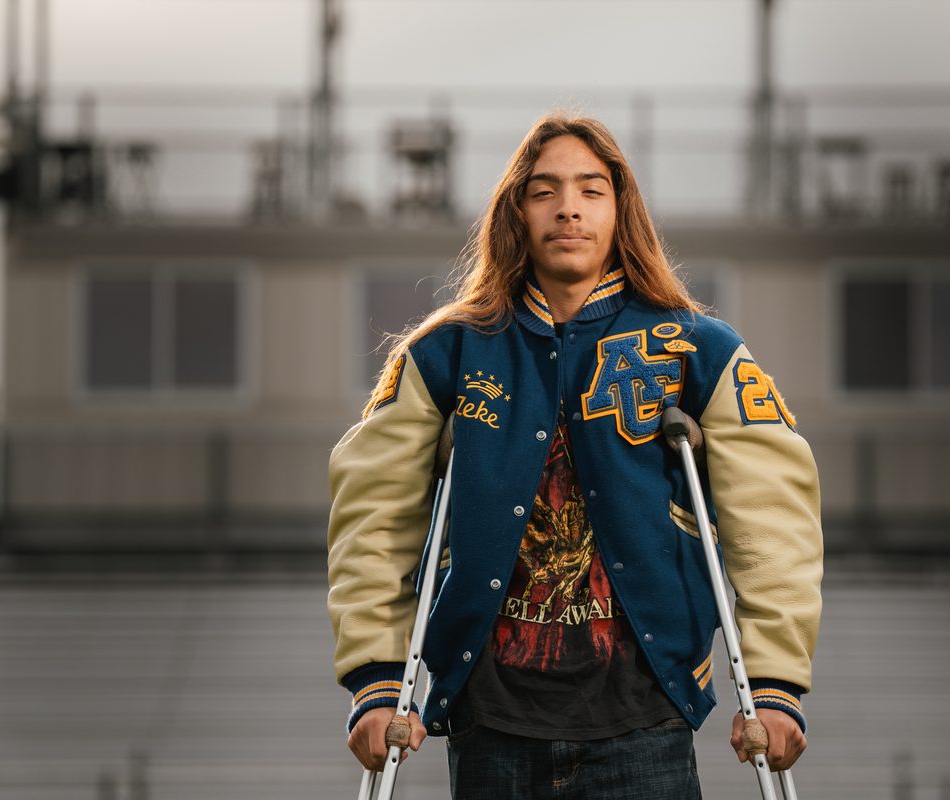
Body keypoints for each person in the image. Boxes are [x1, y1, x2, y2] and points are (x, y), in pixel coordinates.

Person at [327, 112, 823, 799]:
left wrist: (775, 685)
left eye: (592, 190)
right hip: (493, 719)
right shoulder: (448, 352)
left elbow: (774, 519)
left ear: (622, 211)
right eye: (545, 191)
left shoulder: (695, 349)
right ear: (516, 213)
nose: (568, 208)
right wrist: (376, 680)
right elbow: (370, 518)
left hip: (643, 717)